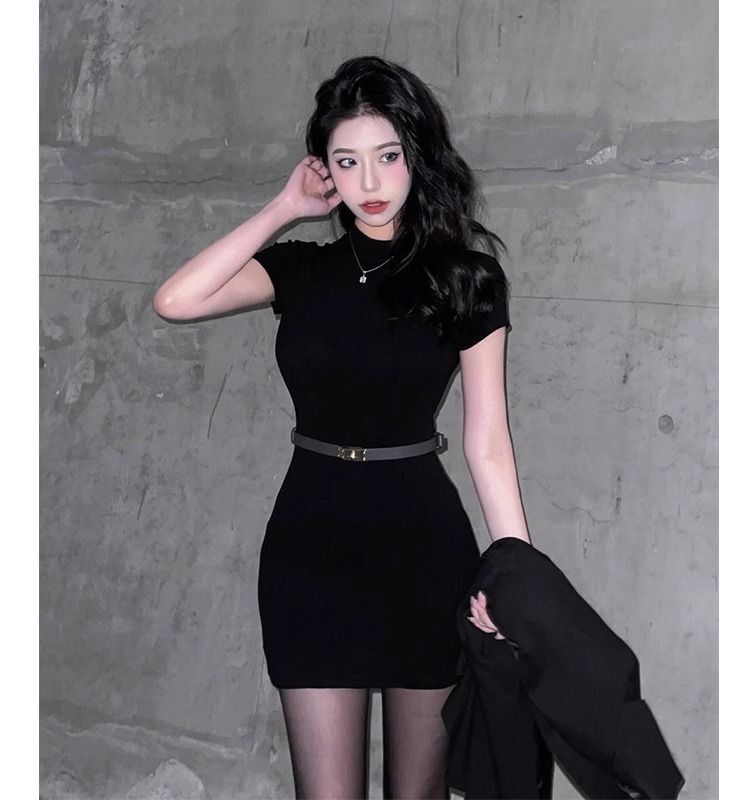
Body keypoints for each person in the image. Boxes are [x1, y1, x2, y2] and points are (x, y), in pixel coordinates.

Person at [153, 55, 529, 800]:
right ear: (324, 169)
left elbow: (488, 440)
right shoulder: (301, 270)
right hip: (311, 550)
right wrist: (282, 207)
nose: (369, 181)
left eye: (387, 156)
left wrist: (518, 575)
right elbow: (175, 300)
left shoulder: (468, 279)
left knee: (418, 793)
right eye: (347, 161)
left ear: (417, 156)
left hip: (424, 552)